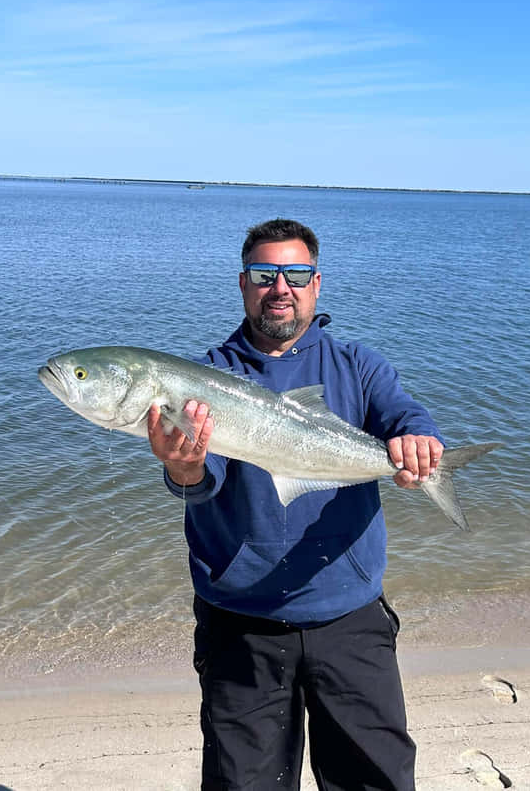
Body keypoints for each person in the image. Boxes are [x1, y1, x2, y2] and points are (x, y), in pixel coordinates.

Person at [147, 219, 444, 791]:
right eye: (264, 274)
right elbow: (199, 479)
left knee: (376, 781)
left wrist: (418, 443)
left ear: (316, 283)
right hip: (241, 623)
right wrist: (182, 467)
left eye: (296, 274)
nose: (280, 287)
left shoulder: (358, 366)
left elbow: (403, 414)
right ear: (243, 284)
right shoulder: (205, 378)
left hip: (350, 615)